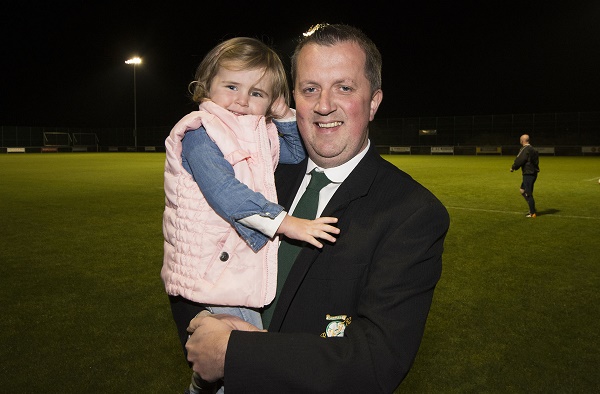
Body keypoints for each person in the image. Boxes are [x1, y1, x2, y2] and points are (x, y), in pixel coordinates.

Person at [185, 23, 450, 393]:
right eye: (311, 89)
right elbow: (189, 248)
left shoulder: (412, 212)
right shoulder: (256, 172)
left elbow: (377, 361)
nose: (324, 106)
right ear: (293, 98)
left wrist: (235, 353)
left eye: (344, 87)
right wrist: (201, 322)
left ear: (373, 102)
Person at [162, 37, 339, 394]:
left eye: (257, 93)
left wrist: (283, 111)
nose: (242, 100)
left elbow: (292, 152)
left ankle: (203, 382)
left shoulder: (259, 130)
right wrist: (288, 223)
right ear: (206, 85)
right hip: (213, 266)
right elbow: (226, 194)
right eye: (231, 86)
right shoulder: (200, 131)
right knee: (246, 361)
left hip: (232, 264)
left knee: (235, 360)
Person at [510, 134, 540, 218]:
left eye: (520, 139)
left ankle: (532, 213)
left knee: (528, 193)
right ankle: (532, 208)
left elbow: (520, 160)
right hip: (533, 173)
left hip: (528, 173)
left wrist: (513, 167)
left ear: (522, 141)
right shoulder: (533, 149)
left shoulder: (525, 149)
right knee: (522, 190)